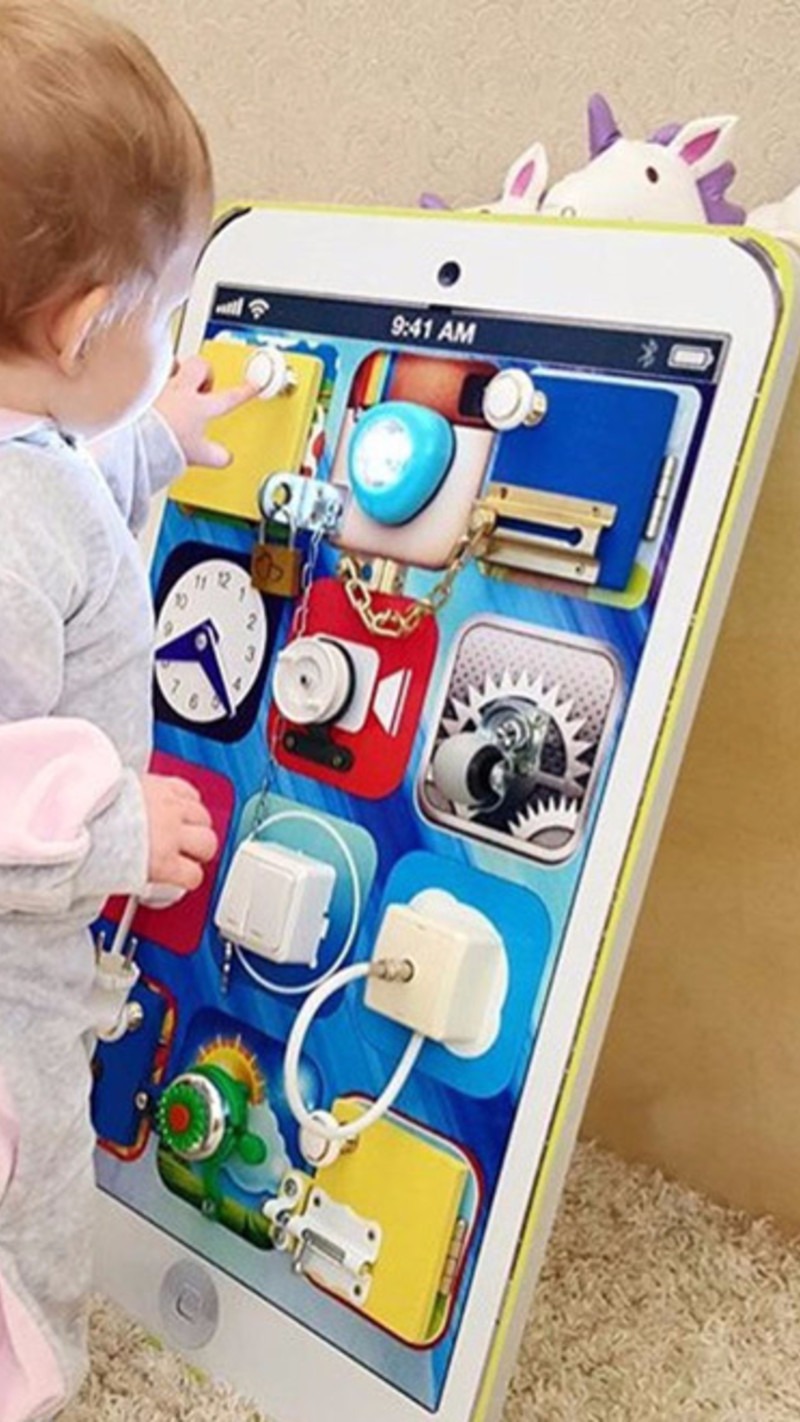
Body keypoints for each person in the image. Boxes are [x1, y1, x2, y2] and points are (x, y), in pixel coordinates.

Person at [0, 3, 255, 1415]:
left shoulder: (38, 452)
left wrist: (155, 437)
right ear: (89, 319)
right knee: (28, 1240)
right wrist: (112, 830)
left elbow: (77, 494)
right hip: (8, 988)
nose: (160, 336)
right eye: (157, 314)